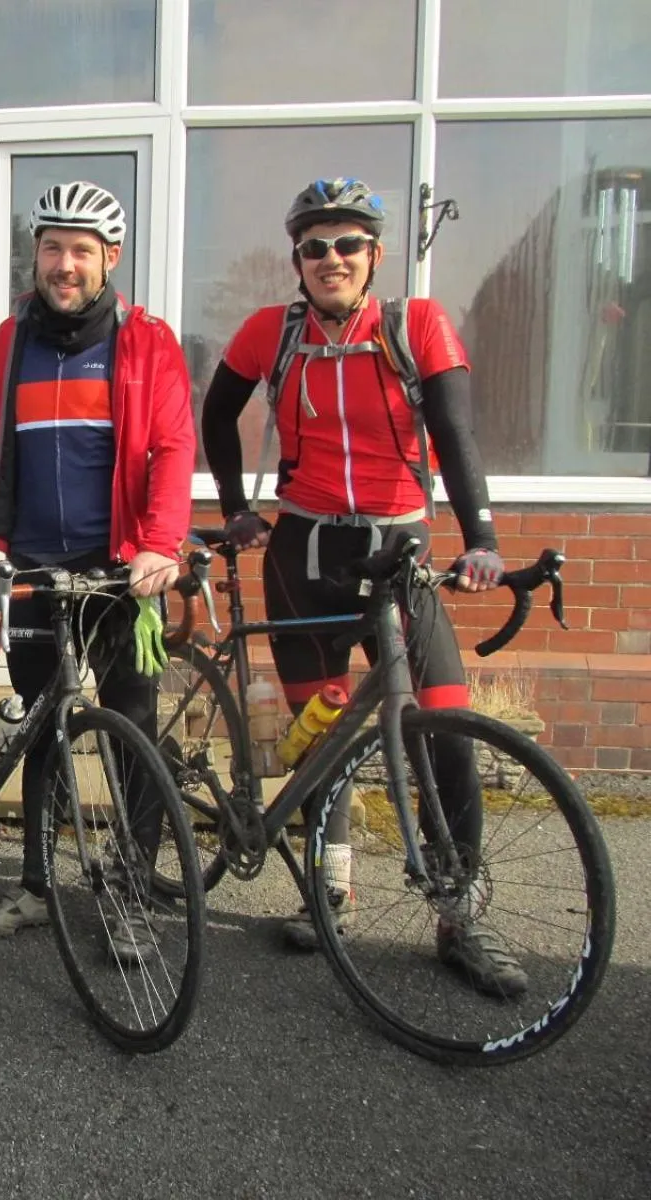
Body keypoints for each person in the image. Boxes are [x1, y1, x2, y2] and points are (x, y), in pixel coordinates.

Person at [198, 177, 524, 996]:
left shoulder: (416, 325)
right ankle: (331, 887)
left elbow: (455, 431)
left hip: (398, 547)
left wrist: (481, 538)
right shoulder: (271, 331)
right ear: (297, 260)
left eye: (348, 245)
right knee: (326, 731)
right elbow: (217, 412)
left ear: (375, 255)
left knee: (442, 724)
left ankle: (460, 911)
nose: (331, 259)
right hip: (304, 549)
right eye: (315, 246)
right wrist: (237, 509)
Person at [0, 181, 196, 948]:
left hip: (119, 569)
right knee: (41, 724)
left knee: (130, 730)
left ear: (111, 259)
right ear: (35, 253)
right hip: (34, 564)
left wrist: (162, 544)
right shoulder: (13, 339)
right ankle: (35, 886)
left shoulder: (148, 340)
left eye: (80, 251)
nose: (64, 265)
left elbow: (172, 447)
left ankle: (130, 893)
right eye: (51, 248)